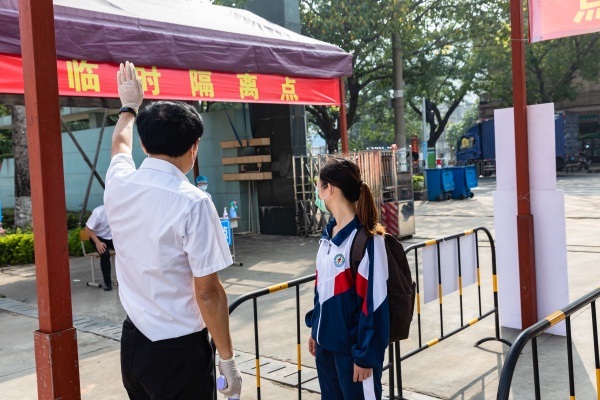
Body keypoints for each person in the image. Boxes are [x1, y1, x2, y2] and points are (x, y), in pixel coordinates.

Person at [104, 61, 242, 399]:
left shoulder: (119, 183)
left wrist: (129, 106)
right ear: (194, 147)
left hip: (132, 343)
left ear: (145, 145)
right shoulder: (193, 202)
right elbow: (208, 292)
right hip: (178, 352)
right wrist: (227, 360)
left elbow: (120, 145)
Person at [305, 157, 389, 400]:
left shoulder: (368, 240)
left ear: (329, 189)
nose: (318, 194)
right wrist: (316, 329)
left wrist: (365, 356)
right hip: (326, 349)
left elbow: (375, 304)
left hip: (354, 357)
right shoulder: (327, 237)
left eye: (319, 187)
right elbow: (322, 289)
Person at [85, 205, 115, 291]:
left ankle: (126, 280)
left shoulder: (118, 210)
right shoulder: (98, 212)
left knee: (125, 250)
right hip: (97, 238)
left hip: (110, 237)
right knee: (105, 254)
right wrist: (98, 243)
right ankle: (107, 283)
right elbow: (87, 228)